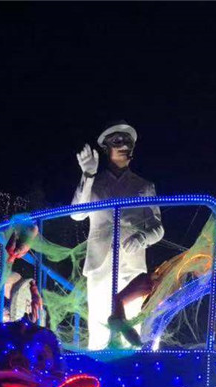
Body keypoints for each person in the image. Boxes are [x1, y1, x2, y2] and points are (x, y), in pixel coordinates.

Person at [71, 122, 164, 349]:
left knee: (130, 323)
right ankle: (100, 368)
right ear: (106, 148)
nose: (124, 145)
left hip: (131, 266)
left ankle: (129, 366)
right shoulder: (94, 184)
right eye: (117, 141)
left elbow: (158, 228)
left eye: (128, 142)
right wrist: (87, 175)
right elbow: (77, 214)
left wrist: (142, 238)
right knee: (99, 325)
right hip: (100, 264)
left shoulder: (144, 186)